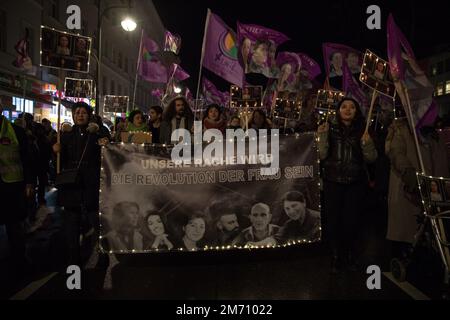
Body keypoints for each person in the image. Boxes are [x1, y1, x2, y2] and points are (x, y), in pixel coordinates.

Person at [317, 98, 378, 274]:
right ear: (338, 110)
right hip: (332, 181)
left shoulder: (363, 130)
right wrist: (321, 136)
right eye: (344, 106)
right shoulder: (328, 128)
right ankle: (336, 256)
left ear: (357, 111)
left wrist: (367, 144)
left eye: (352, 107)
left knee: (352, 221)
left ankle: (351, 255)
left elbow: (371, 158)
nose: (348, 110)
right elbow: (321, 155)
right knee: (334, 221)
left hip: (355, 183)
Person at [52, 102, 110, 265]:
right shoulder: (66, 136)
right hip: (71, 183)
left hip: (91, 183)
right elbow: (59, 161)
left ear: (89, 115)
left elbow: (107, 150)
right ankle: (73, 257)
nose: (80, 115)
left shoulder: (97, 133)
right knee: (71, 222)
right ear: (73, 115)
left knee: (96, 220)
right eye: (77, 112)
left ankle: (102, 255)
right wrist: (56, 150)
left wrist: (105, 143)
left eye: (83, 112)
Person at [386, 116, 450, 249]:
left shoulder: (435, 135)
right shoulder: (400, 130)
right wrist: (410, 175)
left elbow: (442, 162)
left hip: (433, 192)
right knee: (408, 232)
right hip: (409, 189)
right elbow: (397, 154)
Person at [0, 111, 34, 275]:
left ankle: (19, 260)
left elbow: (27, 160)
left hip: (12, 187)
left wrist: (29, 182)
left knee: (14, 227)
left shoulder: (16, 131)